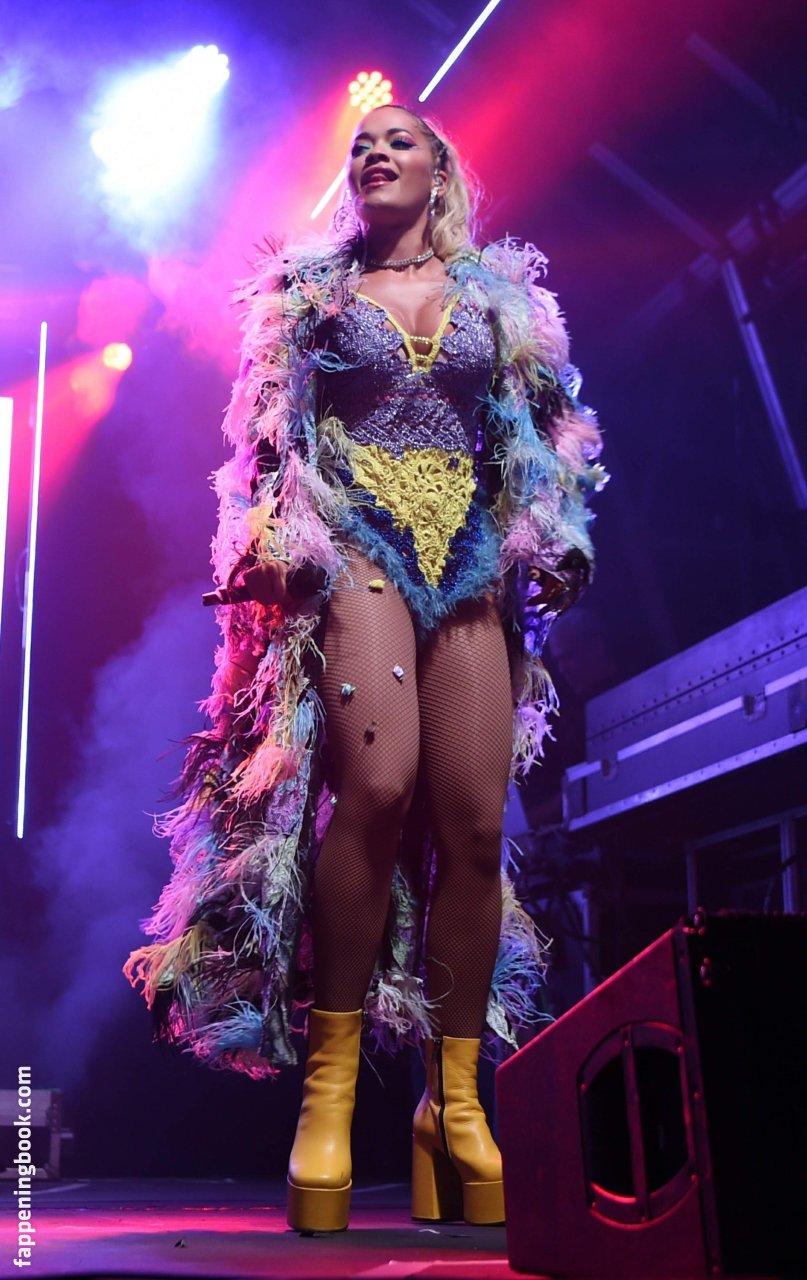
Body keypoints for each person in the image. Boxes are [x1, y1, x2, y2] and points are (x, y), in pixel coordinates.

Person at [124, 104, 606, 1233]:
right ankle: (328, 1098)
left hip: (469, 566)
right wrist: (264, 542)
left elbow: (548, 434)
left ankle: (454, 1104)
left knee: (475, 829)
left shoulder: (500, 299)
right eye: (362, 144)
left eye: (400, 140)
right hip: (355, 550)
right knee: (379, 791)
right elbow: (265, 446)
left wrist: (558, 534)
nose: (376, 152)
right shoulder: (309, 296)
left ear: (441, 170)